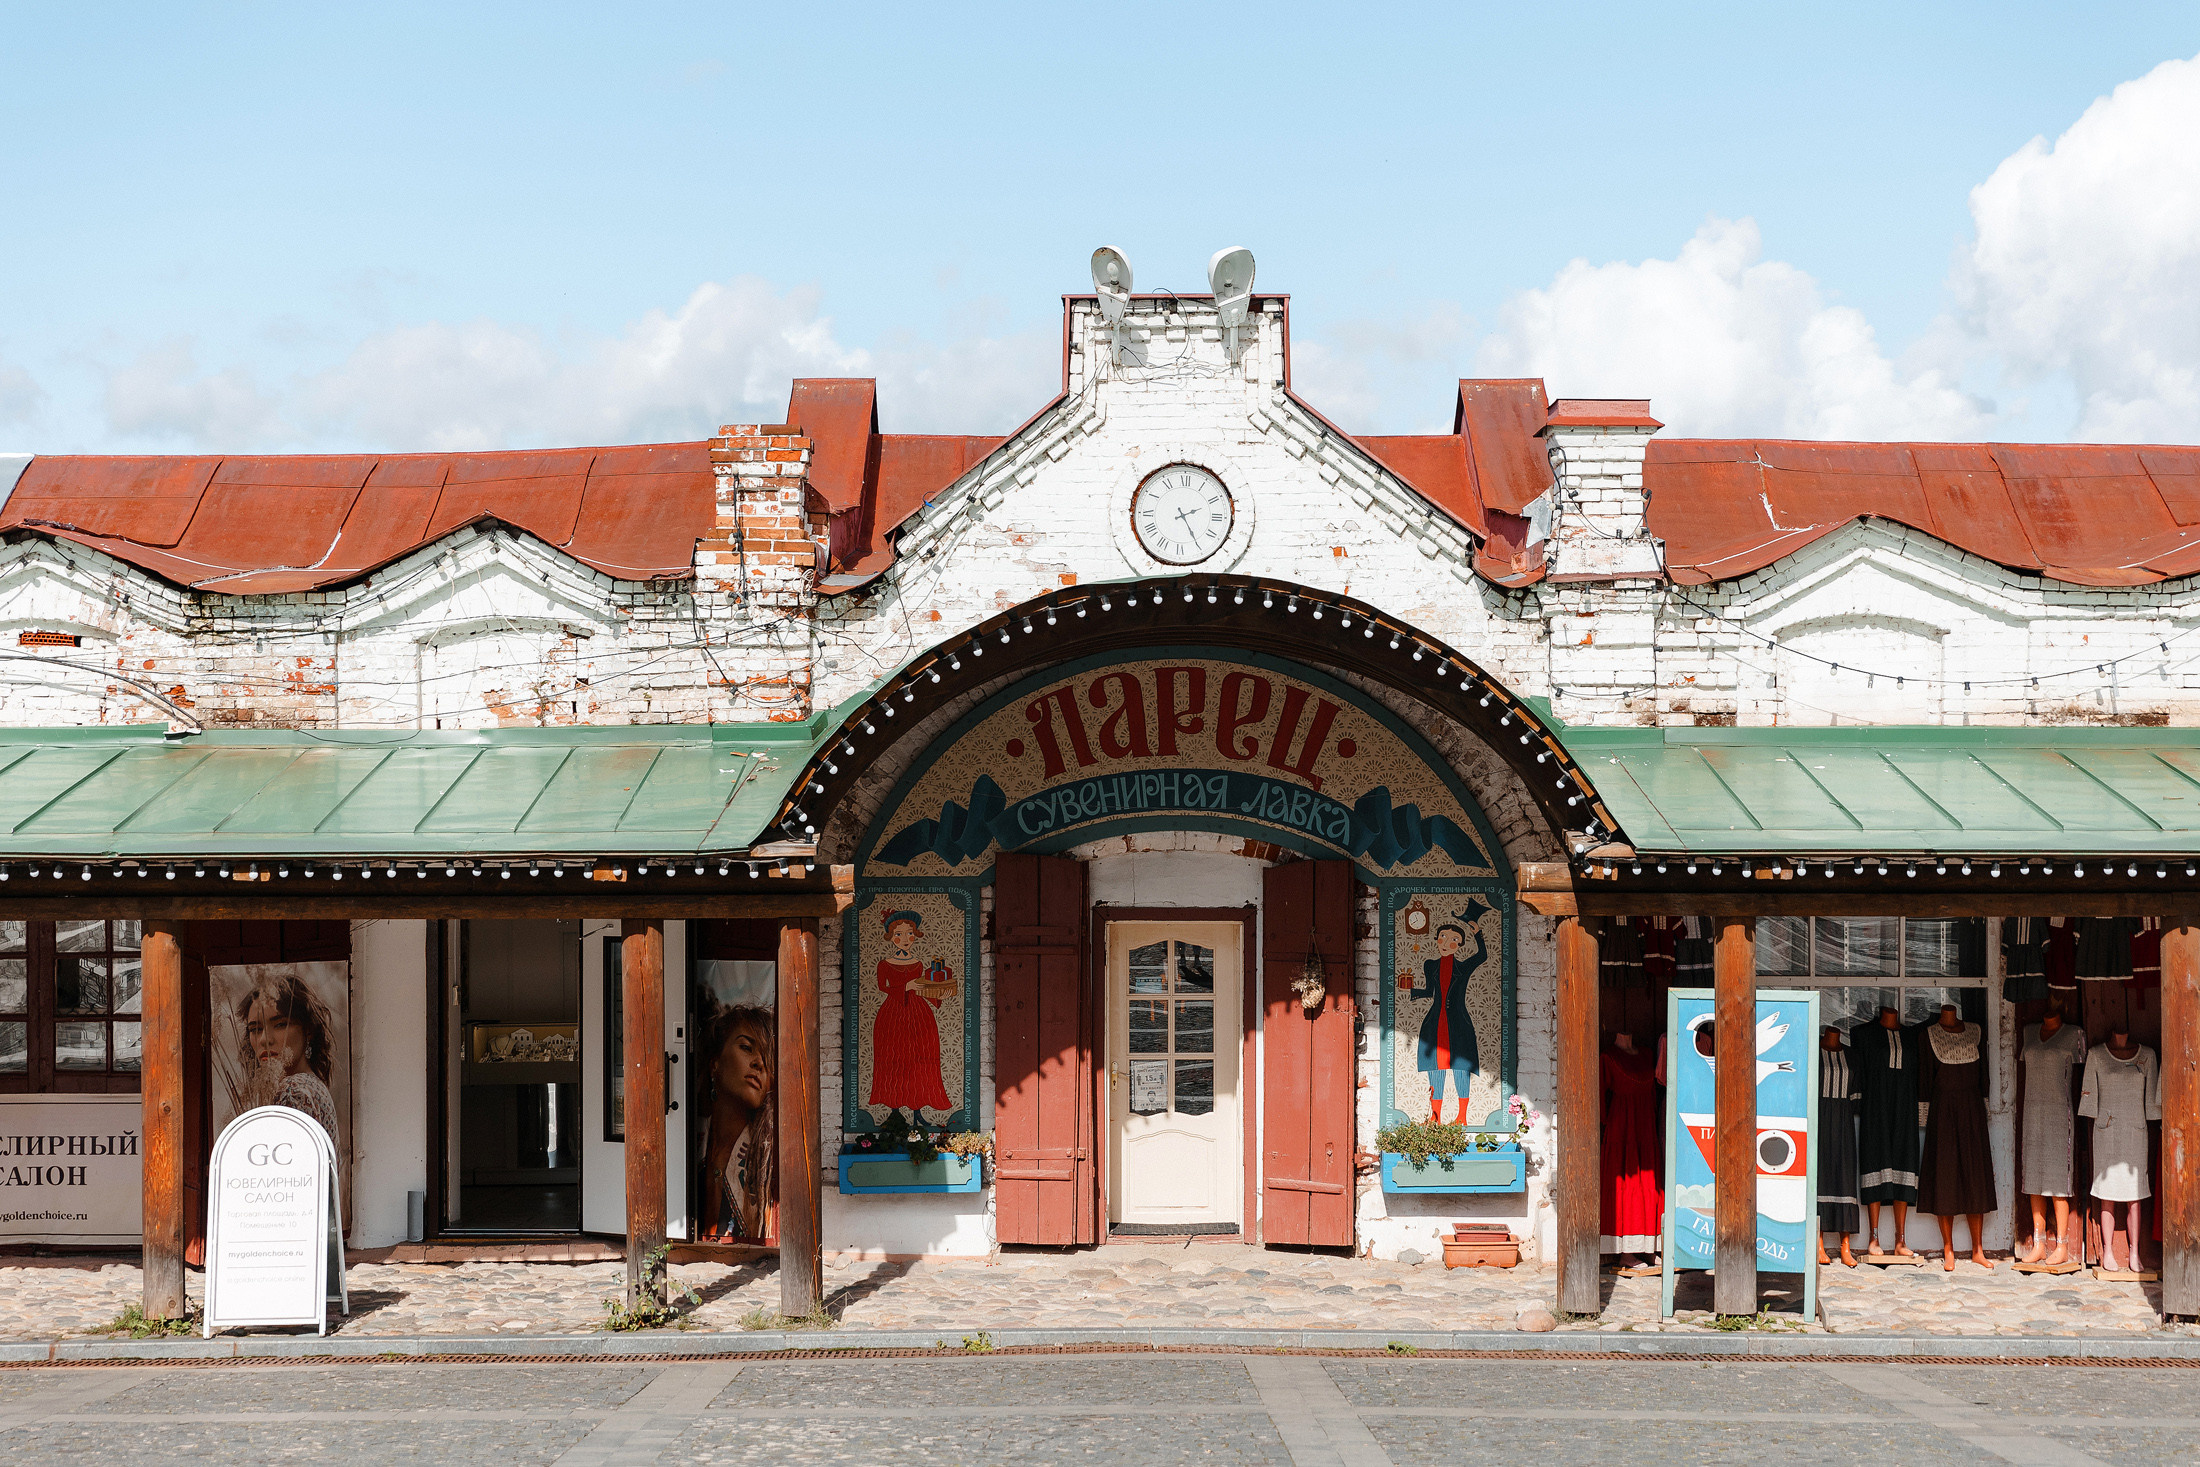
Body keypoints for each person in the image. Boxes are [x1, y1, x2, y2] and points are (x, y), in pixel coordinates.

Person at [1398, 914, 1488, 1125]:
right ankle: (1435, 1117)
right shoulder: (1430, 965)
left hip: (1458, 1022)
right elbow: (1430, 991)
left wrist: (1477, 932)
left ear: (1460, 945)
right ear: (1437, 939)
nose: (1447, 943)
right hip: (1435, 1022)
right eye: (1443, 937)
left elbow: (1482, 955)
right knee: (1435, 1067)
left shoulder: (1463, 967)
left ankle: (1462, 1117)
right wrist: (1411, 991)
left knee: (1460, 1067)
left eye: (1454, 939)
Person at [235, 972, 340, 1147]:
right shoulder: (312, 1084)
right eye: (255, 1029)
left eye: (280, 1024)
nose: (264, 1039)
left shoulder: (293, 1090)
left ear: (308, 1030)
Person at [868, 910, 954, 1122]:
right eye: (899, 934)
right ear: (890, 937)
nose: (905, 939)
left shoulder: (918, 963)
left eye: (909, 934)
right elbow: (882, 986)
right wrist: (906, 985)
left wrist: (938, 995)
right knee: (893, 1059)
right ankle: (894, 1111)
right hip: (893, 1014)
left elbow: (924, 987)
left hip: (918, 1014)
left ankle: (917, 1110)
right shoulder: (884, 964)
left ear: (915, 935)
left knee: (918, 1059)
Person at [699, 1005, 775, 1241]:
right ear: (715, 1064)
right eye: (746, 1047)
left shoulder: (769, 1155)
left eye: (768, 1057)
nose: (759, 1064)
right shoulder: (691, 1142)